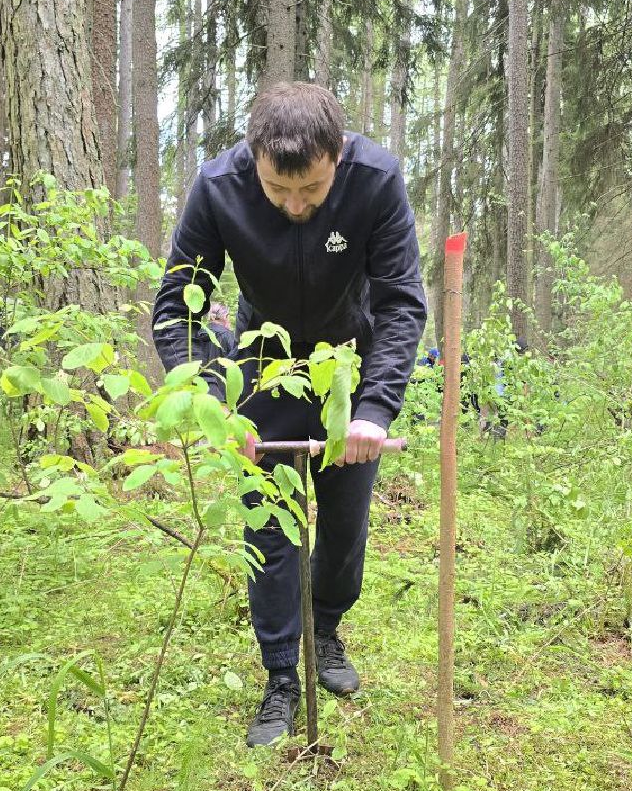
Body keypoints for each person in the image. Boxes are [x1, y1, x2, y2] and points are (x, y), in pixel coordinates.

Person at [153, 82, 427, 746]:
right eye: (279, 192)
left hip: (346, 374)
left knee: (343, 523)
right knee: (269, 533)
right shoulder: (219, 187)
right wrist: (220, 411)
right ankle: (281, 676)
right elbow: (176, 312)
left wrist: (375, 408)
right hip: (262, 374)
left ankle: (326, 629)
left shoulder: (376, 181)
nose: (296, 207)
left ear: (338, 155)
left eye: (311, 191)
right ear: (255, 160)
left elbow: (399, 304)